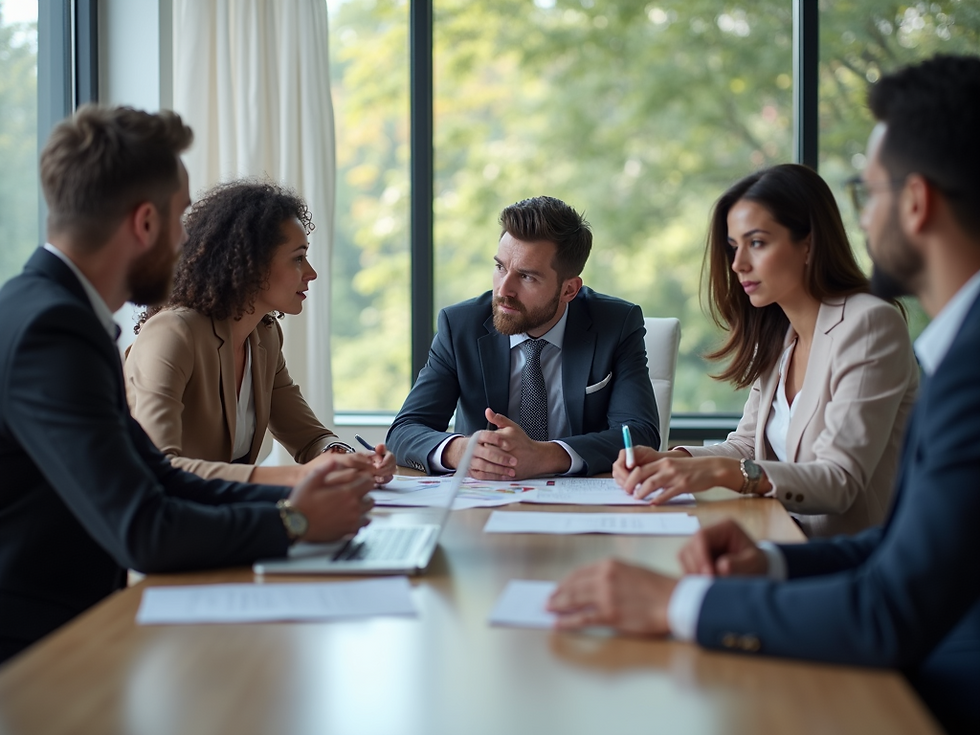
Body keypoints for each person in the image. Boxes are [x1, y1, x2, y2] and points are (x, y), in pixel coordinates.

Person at [547, 54, 980, 734]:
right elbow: (889, 541)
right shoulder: (789, 337)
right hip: (854, 588)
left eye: (869, 194)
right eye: (732, 246)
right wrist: (698, 476)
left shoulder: (907, 340)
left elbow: (876, 574)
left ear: (917, 202)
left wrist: (678, 602)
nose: (739, 264)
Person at [0, 106, 375, 664]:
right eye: (179, 219)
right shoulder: (52, 330)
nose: (185, 240)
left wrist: (301, 499)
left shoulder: (55, 313)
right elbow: (143, 526)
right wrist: (294, 519)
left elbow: (152, 474)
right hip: (38, 652)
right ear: (145, 223)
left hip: (75, 630)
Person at [616, 164, 918, 537]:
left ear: (808, 243)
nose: (739, 264)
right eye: (733, 247)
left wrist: (721, 473)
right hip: (780, 537)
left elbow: (839, 480)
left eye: (757, 242)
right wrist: (671, 460)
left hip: (853, 563)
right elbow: (747, 446)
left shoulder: (869, 324)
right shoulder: (779, 334)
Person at [125, 180, 395, 486]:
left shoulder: (264, 335)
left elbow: (309, 438)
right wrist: (297, 475)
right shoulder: (173, 333)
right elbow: (158, 466)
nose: (311, 273)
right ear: (250, 265)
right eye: (298, 258)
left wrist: (348, 458)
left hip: (222, 518)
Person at [386, 195, 660, 480]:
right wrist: (463, 451)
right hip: (481, 505)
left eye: (527, 277)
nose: (504, 290)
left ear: (569, 290)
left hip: (580, 504)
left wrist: (544, 455)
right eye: (500, 267)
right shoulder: (459, 326)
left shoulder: (615, 324)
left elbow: (639, 436)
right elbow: (404, 430)